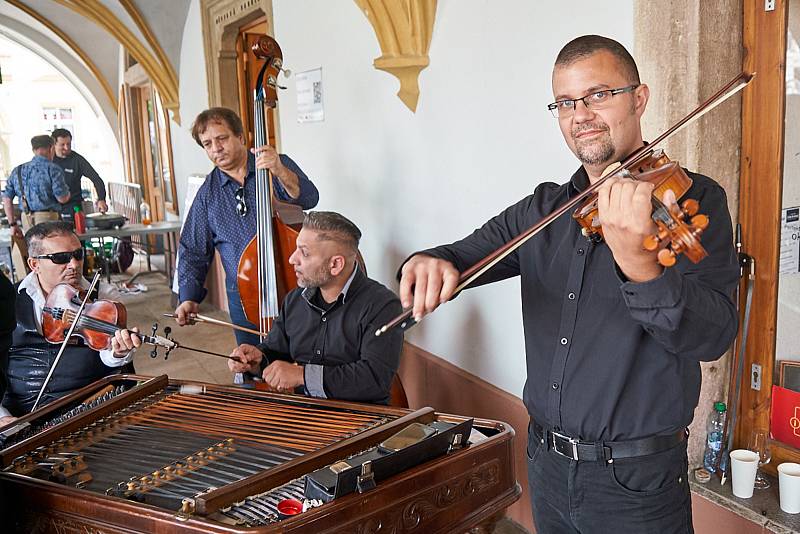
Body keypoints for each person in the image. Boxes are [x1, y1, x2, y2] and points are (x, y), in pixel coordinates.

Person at [396, 35, 739, 533]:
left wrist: (642, 268)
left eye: (599, 94)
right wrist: (428, 262)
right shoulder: (544, 209)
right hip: (546, 465)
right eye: (565, 102)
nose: (581, 114)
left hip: (637, 483)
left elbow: (713, 336)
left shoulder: (694, 200)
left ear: (638, 99)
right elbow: (460, 255)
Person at [175, 107, 320, 346]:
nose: (216, 149)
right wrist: (188, 296)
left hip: (295, 279)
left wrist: (280, 171)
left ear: (241, 137)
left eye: (222, 138)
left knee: (305, 352)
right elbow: (192, 248)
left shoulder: (275, 164)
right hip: (243, 292)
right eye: (208, 144)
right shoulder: (207, 194)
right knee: (252, 361)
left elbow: (309, 198)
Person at [228, 211, 403, 405]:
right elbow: (275, 350)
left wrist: (301, 375)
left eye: (304, 252)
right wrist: (257, 360)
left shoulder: (383, 306)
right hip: (304, 413)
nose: (292, 259)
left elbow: (373, 379)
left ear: (335, 264)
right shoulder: (295, 299)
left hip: (360, 420)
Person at [0, 222, 140, 419]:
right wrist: (3, 417)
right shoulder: (7, 300)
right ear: (34, 264)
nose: (74, 265)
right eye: (61, 258)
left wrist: (119, 353)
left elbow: (111, 360)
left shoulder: (102, 298)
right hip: (21, 414)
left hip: (87, 407)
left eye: (78, 255)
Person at [3, 135, 70, 236]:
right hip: (48, 219)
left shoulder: (18, 170)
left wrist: (12, 224)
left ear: (33, 150)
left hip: (26, 218)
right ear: (51, 148)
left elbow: (7, 199)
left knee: (33, 249)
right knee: (50, 249)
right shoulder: (53, 169)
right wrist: (68, 194)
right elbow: (62, 198)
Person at [51, 128, 109, 216]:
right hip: (53, 207)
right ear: (54, 145)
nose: (66, 148)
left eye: (69, 144)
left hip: (73, 206)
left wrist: (101, 199)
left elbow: (96, 179)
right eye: (62, 145)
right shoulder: (48, 161)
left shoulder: (77, 160)